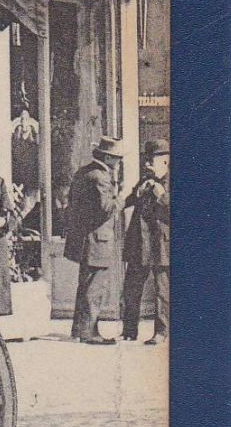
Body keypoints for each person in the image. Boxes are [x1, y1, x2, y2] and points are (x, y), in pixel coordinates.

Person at [64, 133, 126, 345]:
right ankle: (88, 332)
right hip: (97, 240)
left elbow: (72, 203)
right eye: (117, 158)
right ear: (108, 158)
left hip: (85, 239)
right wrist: (122, 199)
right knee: (95, 289)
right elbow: (106, 208)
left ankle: (81, 329)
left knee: (86, 286)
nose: (119, 162)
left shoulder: (84, 172)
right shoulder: (101, 177)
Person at [121, 139, 170, 344]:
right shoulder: (145, 180)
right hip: (139, 242)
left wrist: (162, 196)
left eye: (152, 160)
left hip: (161, 243)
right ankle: (129, 330)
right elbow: (129, 201)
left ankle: (161, 331)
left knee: (162, 290)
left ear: (166, 162)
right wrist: (135, 193)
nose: (147, 164)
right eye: (146, 159)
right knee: (131, 287)